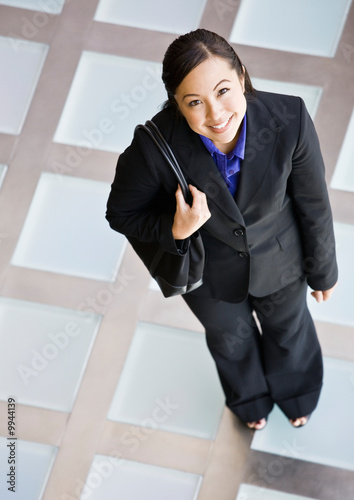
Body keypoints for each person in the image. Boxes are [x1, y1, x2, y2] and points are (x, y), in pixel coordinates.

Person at [106, 29, 338, 430]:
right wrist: (176, 229)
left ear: (243, 77)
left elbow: (313, 203)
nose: (216, 114)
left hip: (282, 261)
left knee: (290, 330)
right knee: (232, 343)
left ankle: (297, 391)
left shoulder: (290, 119)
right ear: (177, 105)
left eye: (224, 90)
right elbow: (121, 213)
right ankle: (249, 400)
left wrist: (323, 269)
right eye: (195, 102)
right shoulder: (153, 148)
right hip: (208, 277)